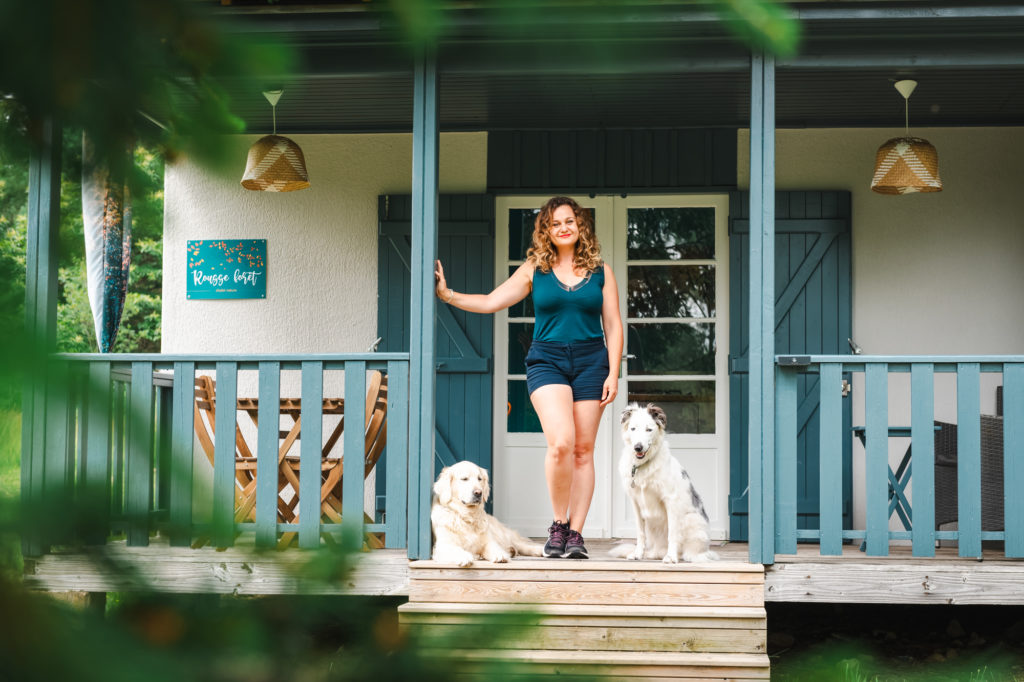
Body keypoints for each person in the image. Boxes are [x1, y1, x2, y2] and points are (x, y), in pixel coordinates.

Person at [434, 196, 623, 559]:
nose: (564, 227)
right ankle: (558, 526)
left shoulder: (601, 270)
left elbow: (613, 326)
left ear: (580, 226)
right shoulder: (535, 268)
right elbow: (492, 301)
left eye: (570, 221)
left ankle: (576, 534)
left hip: (591, 362)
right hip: (547, 360)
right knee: (562, 444)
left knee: (584, 451)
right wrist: (448, 295)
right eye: (555, 223)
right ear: (546, 231)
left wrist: (613, 371)